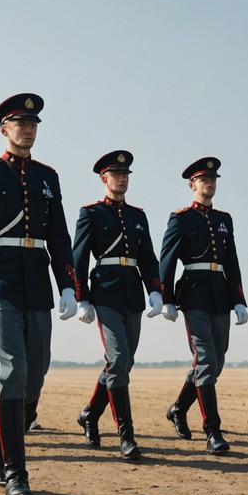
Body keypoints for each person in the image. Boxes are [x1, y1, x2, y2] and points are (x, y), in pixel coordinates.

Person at [0, 93, 77, 495]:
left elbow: (59, 234)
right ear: (4, 129)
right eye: (19, 123)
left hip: (37, 281)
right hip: (0, 283)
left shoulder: (48, 176)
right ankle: (15, 472)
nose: (27, 129)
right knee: (11, 371)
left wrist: (67, 283)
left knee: (36, 373)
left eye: (33, 124)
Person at [73, 150, 162, 460]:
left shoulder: (138, 215)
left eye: (126, 175)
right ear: (104, 179)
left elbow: (149, 258)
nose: (122, 179)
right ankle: (126, 436)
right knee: (120, 357)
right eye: (116, 175)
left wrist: (155, 289)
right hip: (106, 294)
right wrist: (80, 296)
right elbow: (79, 257)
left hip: (132, 294)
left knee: (122, 363)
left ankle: (89, 414)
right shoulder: (92, 213)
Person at [159, 157, 248, 454]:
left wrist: (239, 300)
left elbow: (232, 261)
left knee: (215, 362)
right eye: (204, 179)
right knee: (206, 359)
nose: (210, 183)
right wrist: (166, 298)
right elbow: (168, 260)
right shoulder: (181, 218)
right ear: (192, 184)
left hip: (220, 294)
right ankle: (212, 430)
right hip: (194, 294)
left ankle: (178, 408)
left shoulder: (225, 219)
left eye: (214, 179)